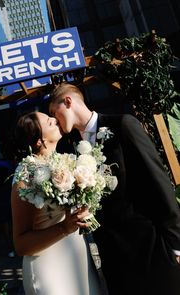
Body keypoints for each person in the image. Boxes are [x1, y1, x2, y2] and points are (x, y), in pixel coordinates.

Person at [49, 82, 180, 295]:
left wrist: (175, 243)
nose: (55, 120)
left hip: (150, 247)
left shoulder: (123, 125)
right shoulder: (69, 148)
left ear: (68, 101)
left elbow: (158, 180)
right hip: (113, 257)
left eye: (55, 112)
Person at [11, 111, 106, 295]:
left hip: (76, 259)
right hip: (48, 267)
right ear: (40, 141)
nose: (55, 120)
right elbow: (21, 244)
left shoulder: (63, 162)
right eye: (49, 121)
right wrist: (64, 228)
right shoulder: (25, 175)